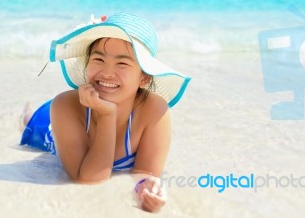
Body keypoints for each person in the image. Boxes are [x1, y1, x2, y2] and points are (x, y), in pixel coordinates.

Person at [20, 13, 191, 212]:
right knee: (28, 121)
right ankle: (26, 113)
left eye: (122, 63)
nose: (107, 72)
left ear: (144, 78)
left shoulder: (154, 110)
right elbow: (89, 179)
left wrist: (147, 188)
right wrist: (107, 115)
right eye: (99, 59)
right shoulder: (65, 106)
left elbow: (145, 173)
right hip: (51, 126)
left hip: (84, 107)